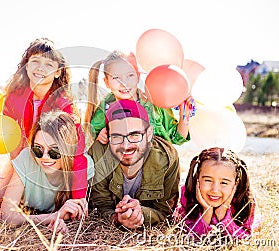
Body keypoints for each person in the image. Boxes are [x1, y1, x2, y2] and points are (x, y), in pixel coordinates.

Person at [0, 38, 88, 203]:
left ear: (58, 72)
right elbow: (10, 135)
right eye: (35, 61)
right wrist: (18, 166)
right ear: (26, 66)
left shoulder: (63, 106)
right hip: (25, 158)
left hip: (52, 164)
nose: (41, 68)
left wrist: (79, 198)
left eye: (49, 64)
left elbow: (77, 151)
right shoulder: (16, 96)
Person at [89, 99, 180, 229]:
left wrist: (141, 213)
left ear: (149, 134)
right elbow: (99, 205)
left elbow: (165, 212)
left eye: (134, 135)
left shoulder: (167, 159)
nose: (126, 146)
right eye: (116, 137)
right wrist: (117, 218)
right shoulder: (98, 154)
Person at [1, 111, 94, 233]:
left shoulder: (84, 166)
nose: (44, 157)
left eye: (54, 151)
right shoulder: (27, 158)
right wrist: (53, 217)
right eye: (38, 149)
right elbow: (6, 216)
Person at [84, 50, 193, 145]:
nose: (124, 83)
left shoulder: (154, 103)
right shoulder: (105, 109)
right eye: (116, 78)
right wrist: (100, 138)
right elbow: (93, 139)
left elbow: (176, 138)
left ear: (138, 76)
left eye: (130, 75)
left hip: (156, 166)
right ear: (106, 82)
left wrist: (184, 119)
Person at [174, 147, 256, 239]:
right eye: (208, 180)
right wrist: (206, 212)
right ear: (197, 178)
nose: (215, 190)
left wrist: (223, 216)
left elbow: (245, 237)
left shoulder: (244, 199)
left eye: (224, 183)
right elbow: (189, 236)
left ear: (236, 183)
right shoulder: (187, 195)